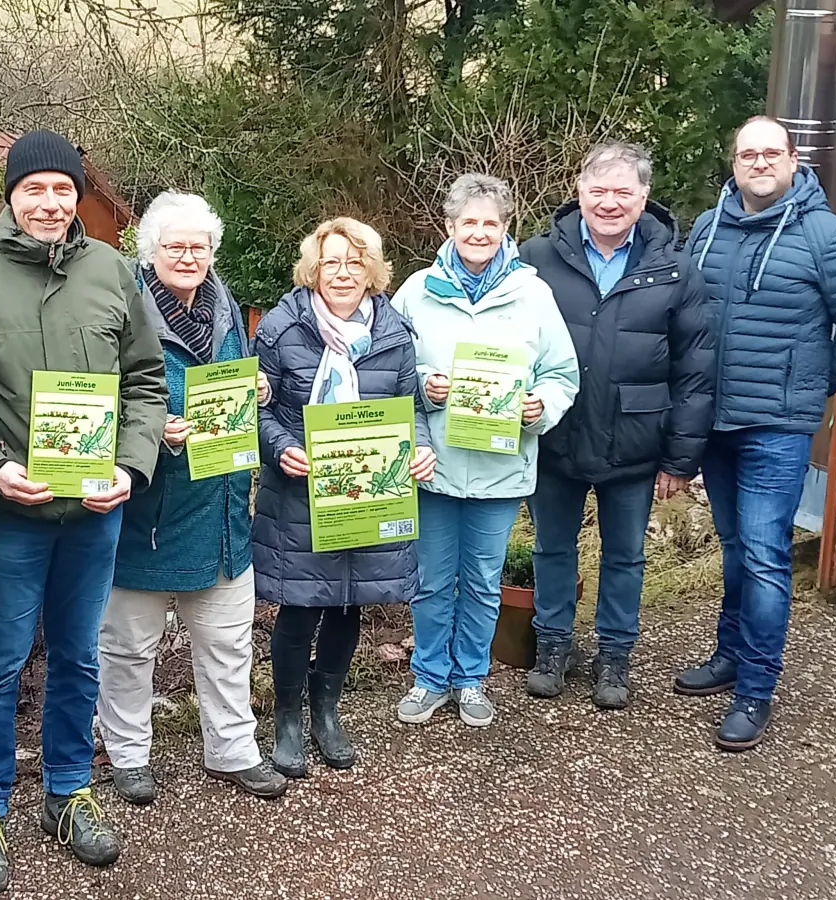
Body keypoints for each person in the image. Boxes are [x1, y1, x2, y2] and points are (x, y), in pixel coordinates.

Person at [0, 130, 168, 895]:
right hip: (10, 515)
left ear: (77, 196)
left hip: (94, 512)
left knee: (78, 657)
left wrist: (129, 465)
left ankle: (68, 792)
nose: (50, 202)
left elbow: (146, 381)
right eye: (34, 188)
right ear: (11, 195)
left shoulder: (112, 272)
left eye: (63, 188)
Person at [680, 115, 836, 751]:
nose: (760, 163)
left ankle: (756, 688)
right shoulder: (707, 228)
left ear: (794, 160)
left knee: (765, 555)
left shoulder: (830, 237)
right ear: (734, 163)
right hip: (715, 422)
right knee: (735, 547)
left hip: (776, 428)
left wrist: (806, 386)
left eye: (772, 152)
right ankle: (730, 654)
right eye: (748, 154)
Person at [95, 191, 286, 805]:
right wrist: (151, 432)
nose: (187, 256)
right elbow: (94, 400)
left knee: (229, 644)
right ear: (149, 251)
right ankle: (128, 754)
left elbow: (236, 389)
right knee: (128, 649)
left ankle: (233, 750)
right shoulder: (122, 310)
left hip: (221, 511)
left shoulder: (226, 310)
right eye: (174, 245)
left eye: (198, 246)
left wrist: (256, 389)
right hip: (147, 515)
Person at [518, 142, 715, 711]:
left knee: (625, 555)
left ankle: (615, 655)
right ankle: (552, 645)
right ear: (579, 191)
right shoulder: (536, 257)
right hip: (555, 435)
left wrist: (680, 458)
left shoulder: (676, 268)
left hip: (635, 441)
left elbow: (696, 369)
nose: (609, 202)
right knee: (552, 548)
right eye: (598, 190)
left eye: (623, 192)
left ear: (643, 197)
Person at [390, 173, 579, 729]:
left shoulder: (533, 294)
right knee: (430, 580)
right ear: (449, 226)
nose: (479, 232)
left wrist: (540, 406)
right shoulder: (417, 291)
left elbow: (562, 373)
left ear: (505, 228)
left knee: (481, 582)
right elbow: (388, 364)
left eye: (490, 223)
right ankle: (429, 678)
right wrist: (423, 383)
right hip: (434, 464)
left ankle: (470, 678)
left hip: (502, 467)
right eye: (468, 222)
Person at [253, 217, 436, 777]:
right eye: (331, 262)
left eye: (355, 262)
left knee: (349, 601)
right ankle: (287, 718)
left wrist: (421, 448)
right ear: (314, 269)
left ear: (372, 271)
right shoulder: (282, 328)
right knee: (301, 606)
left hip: (368, 491)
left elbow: (413, 408)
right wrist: (281, 446)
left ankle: (326, 712)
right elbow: (256, 407)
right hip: (300, 491)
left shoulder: (395, 333)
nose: (342, 273)